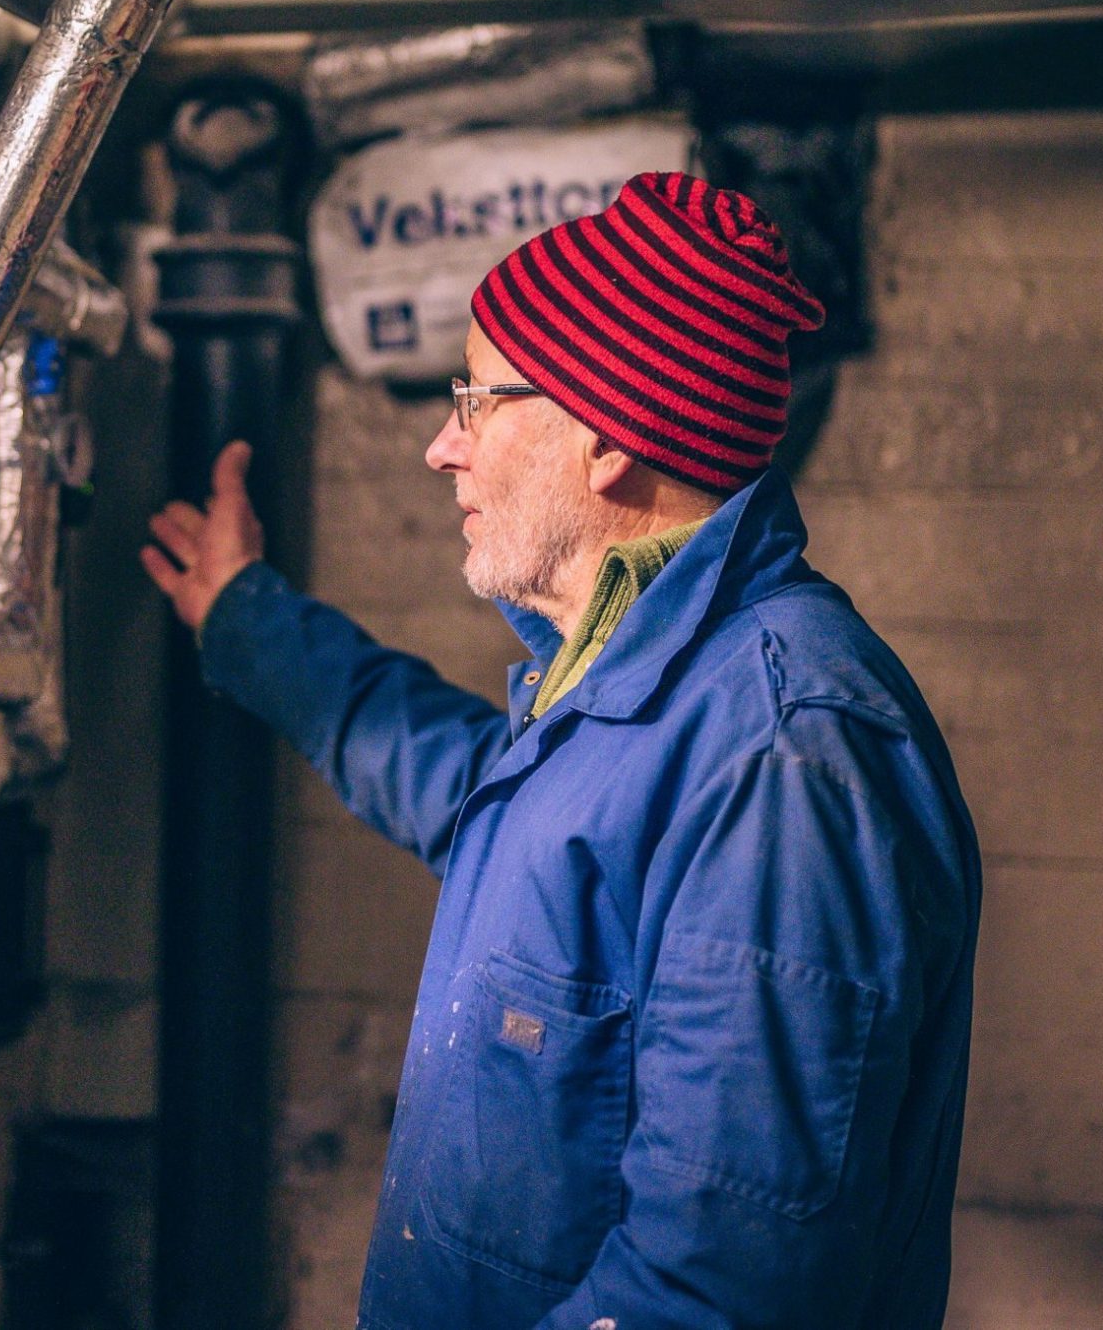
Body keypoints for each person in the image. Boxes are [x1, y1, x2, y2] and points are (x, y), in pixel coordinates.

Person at [142, 173, 980, 1329]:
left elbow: (716, 1289)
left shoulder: (785, 761)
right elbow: (478, 798)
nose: (443, 446)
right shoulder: (634, 677)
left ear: (605, 435)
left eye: (476, 401)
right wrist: (247, 617)